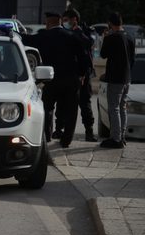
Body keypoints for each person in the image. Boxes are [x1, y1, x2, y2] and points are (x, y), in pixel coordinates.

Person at [31, 11, 89, 148]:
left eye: (46, 23)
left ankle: (46, 136)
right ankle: (66, 140)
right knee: (71, 111)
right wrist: (81, 74)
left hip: (50, 79)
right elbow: (84, 56)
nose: (45, 25)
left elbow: (27, 39)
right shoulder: (72, 36)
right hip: (70, 80)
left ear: (50, 23)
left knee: (47, 108)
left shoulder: (44, 36)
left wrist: (9, 32)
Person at [53, 8, 97, 142]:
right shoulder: (64, 33)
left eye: (66, 20)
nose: (64, 23)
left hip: (83, 75)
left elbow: (89, 44)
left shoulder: (84, 33)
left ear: (74, 20)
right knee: (62, 102)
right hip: (67, 73)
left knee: (84, 103)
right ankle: (59, 129)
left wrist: (77, 32)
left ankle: (89, 131)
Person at [99, 11, 136, 148]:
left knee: (113, 108)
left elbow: (103, 55)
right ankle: (122, 136)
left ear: (110, 23)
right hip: (127, 78)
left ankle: (115, 139)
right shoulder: (130, 37)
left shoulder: (111, 38)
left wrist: (105, 38)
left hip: (115, 78)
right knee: (122, 108)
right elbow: (132, 59)